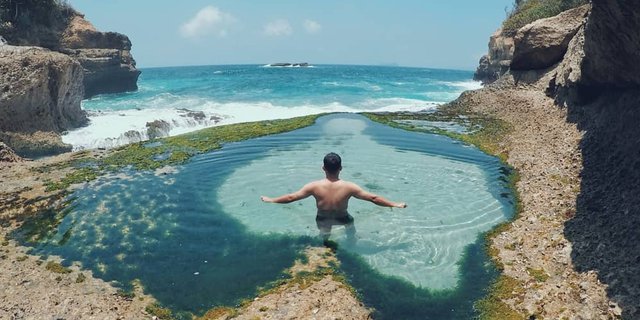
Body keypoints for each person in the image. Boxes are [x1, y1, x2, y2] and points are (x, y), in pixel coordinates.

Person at [261, 152, 407, 243]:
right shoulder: (350, 187)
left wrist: (272, 200)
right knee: (351, 228)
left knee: (324, 235)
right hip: (343, 218)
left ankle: (325, 250)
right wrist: (394, 204)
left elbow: (291, 197)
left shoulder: (313, 186)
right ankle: (351, 242)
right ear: (341, 168)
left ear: (323, 168)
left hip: (323, 219)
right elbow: (374, 198)